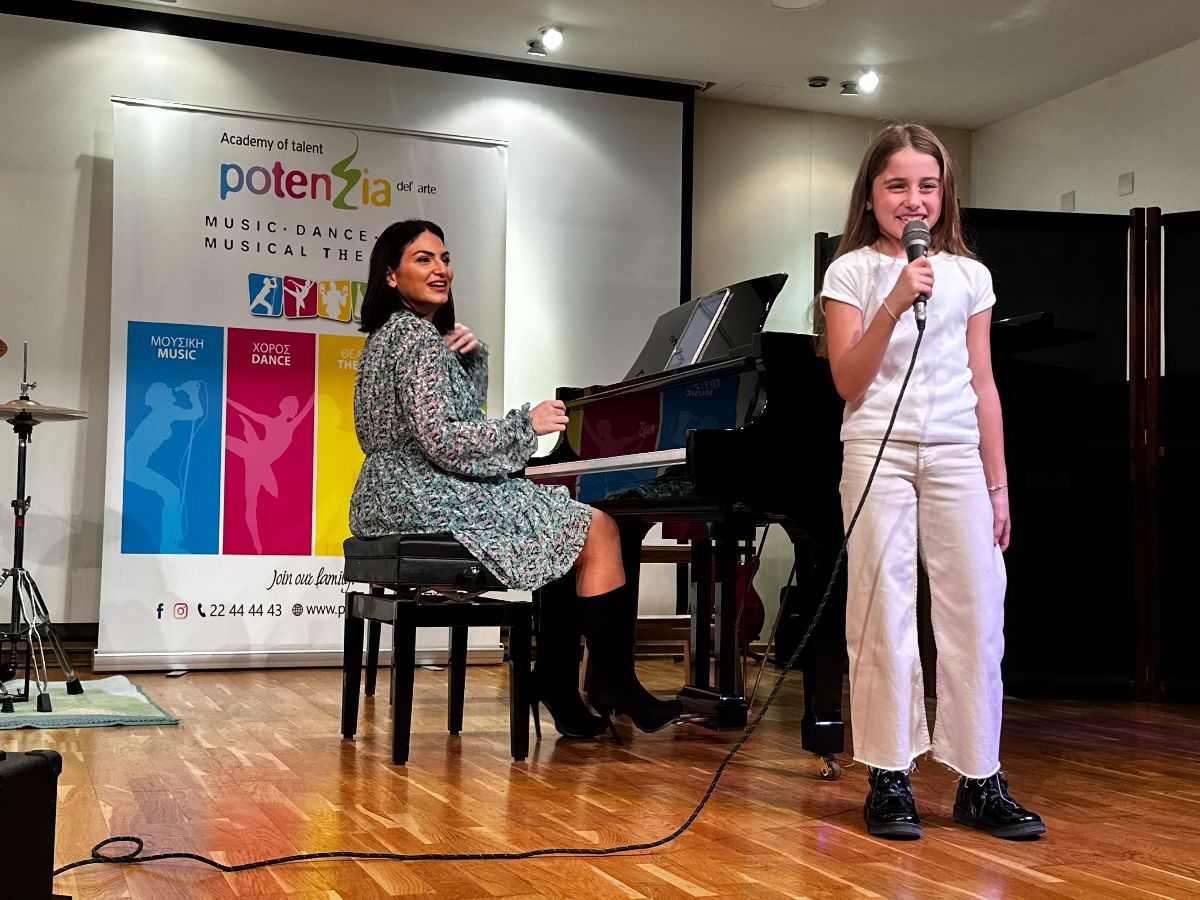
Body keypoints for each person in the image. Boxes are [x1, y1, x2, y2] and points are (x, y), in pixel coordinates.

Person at [349, 219, 680, 738]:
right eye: (423, 259)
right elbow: (445, 439)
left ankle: (559, 684)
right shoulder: (415, 337)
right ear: (391, 275)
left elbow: (446, 421)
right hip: (423, 493)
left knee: (563, 528)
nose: (441, 269)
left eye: (444, 258)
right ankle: (609, 681)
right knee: (597, 527)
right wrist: (527, 424)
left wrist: (471, 362)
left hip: (388, 495)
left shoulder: (386, 338)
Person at [819, 124, 1044, 840]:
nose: (913, 200)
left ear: (944, 195)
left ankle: (980, 777)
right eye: (897, 185)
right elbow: (848, 381)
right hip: (877, 451)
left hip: (957, 454)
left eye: (927, 185)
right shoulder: (850, 271)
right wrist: (893, 299)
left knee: (976, 611)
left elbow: (984, 384)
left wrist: (998, 486)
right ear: (870, 194)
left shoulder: (971, 277)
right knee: (882, 610)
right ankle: (889, 774)